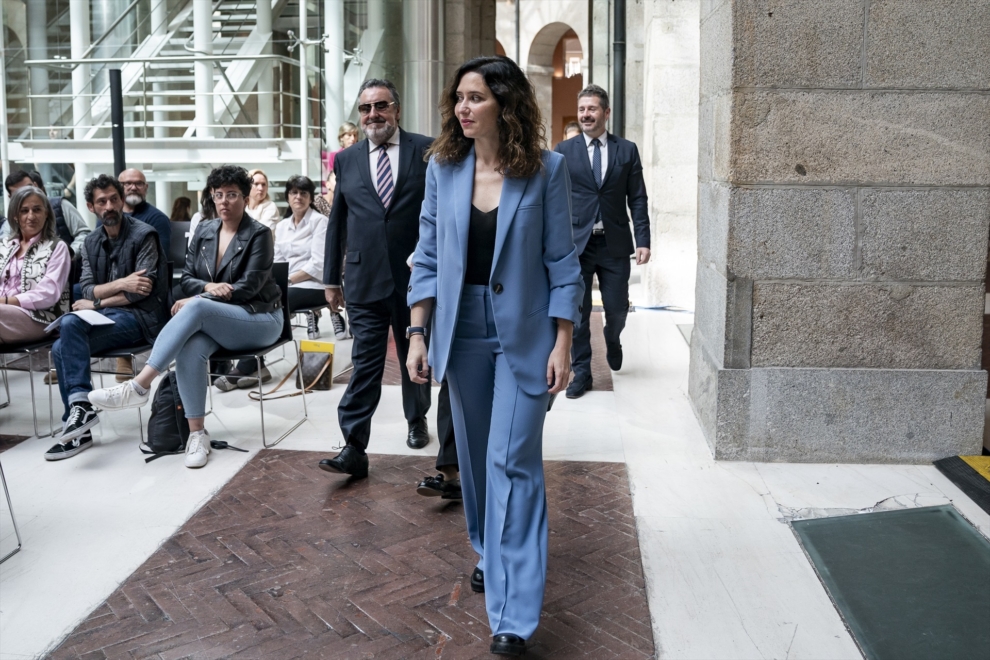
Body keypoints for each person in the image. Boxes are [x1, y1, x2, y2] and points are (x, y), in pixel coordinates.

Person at [406, 56, 583, 656]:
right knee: (481, 460)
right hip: (460, 334)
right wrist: (417, 333)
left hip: (526, 338)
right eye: (459, 97)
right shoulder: (443, 169)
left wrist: (564, 342)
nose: (462, 107)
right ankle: (486, 548)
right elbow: (426, 257)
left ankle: (512, 615)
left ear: (505, 105)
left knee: (515, 462)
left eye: (475, 97)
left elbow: (563, 264)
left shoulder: (546, 171)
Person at [87, 165, 284, 469]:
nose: (224, 201)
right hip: (219, 318)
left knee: (197, 308)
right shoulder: (205, 231)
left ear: (244, 198)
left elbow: (249, 288)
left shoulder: (259, 234)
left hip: (260, 319)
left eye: (232, 194)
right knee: (192, 346)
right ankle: (197, 434)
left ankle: (139, 386)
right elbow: (187, 279)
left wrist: (200, 297)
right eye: (218, 195)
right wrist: (205, 288)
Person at [319, 78, 434, 479]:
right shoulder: (345, 159)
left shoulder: (427, 150)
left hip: (415, 278)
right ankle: (354, 445)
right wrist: (330, 278)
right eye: (366, 109)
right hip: (364, 277)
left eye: (381, 106)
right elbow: (338, 222)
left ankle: (416, 417)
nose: (373, 115)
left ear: (396, 110)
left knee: (412, 357)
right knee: (365, 361)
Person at [46, 174, 171, 461]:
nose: (110, 206)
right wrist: (120, 285)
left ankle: (78, 417)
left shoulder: (145, 234)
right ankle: (80, 420)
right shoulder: (91, 242)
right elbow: (86, 287)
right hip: (107, 316)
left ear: (121, 199)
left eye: (114, 199)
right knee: (59, 346)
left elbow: (142, 291)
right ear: (91, 207)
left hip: (141, 319)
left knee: (68, 327)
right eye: (102, 202)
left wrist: (97, 301)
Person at [555, 84, 650, 398]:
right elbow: (554, 199)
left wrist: (643, 239)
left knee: (617, 306)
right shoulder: (563, 151)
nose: (585, 114)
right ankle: (582, 373)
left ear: (606, 113)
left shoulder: (627, 150)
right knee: (577, 313)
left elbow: (637, 198)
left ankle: (613, 337)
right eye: (582, 109)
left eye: (592, 109)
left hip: (615, 244)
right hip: (576, 245)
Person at [215, 174, 328, 392]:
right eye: (294, 192)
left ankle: (247, 365)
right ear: (287, 196)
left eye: (304, 193)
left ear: (310, 197)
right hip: (287, 284)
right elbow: (275, 260)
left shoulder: (319, 222)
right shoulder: (284, 226)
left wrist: (286, 281)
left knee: (281, 301)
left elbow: (318, 265)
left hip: (314, 286)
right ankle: (259, 366)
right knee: (254, 300)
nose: (298, 197)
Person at [0, 187, 70, 344]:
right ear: (15, 216)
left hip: (40, 318)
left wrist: (4, 301)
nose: (31, 216)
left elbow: (48, 295)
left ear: (46, 214)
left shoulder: (57, 247)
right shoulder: (4, 246)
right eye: (24, 211)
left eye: (37, 210)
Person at [3, 170, 91, 260]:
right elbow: (5, 244)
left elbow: (84, 234)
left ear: (36, 185)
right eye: (19, 193)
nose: (31, 216)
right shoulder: (10, 224)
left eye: (37, 210)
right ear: (11, 197)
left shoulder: (60, 205)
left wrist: (67, 254)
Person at [115, 168, 172, 256]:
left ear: (146, 187)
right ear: (118, 187)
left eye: (139, 183)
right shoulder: (109, 216)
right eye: (128, 183)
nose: (133, 188)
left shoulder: (157, 218)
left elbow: (160, 257)